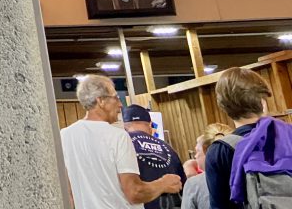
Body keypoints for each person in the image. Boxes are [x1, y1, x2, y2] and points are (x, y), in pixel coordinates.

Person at [61, 75, 184, 209]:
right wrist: (163, 183)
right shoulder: (118, 137)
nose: (120, 105)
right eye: (116, 98)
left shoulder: (65, 135)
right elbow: (134, 192)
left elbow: (69, 193)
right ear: (100, 101)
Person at [205, 68, 270, 209]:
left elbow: (219, 205)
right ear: (263, 101)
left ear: (223, 106)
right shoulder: (287, 136)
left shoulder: (220, 151)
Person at [123, 104, 186, 209]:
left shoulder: (121, 145)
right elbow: (183, 187)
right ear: (151, 125)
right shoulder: (169, 149)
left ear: (124, 127)